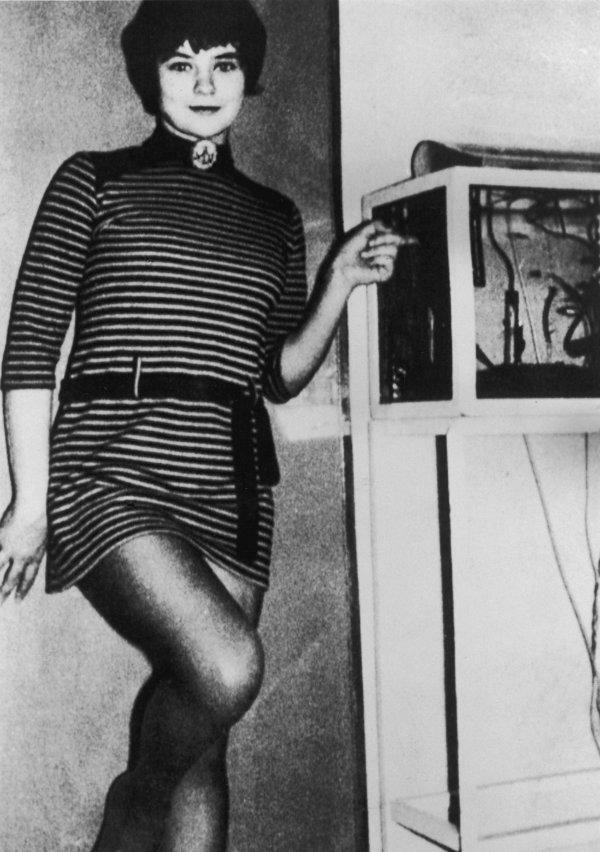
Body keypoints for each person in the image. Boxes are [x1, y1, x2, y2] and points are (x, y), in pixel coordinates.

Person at [0, 1, 404, 849]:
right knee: (228, 668)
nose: (205, 82)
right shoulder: (92, 181)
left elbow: (278, 375)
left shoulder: (273, 216)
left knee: (209, 748)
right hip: (110, 469)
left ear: (247, 75)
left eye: (223, 62)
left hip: (233, 485)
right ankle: (131, 810)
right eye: (181, 64)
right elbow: (31, 345)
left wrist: (338, 281)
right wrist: (29, 504)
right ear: (150, 77)